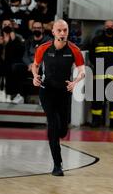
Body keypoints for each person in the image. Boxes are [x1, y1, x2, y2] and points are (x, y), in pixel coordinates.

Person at [32, 19, 85, 176]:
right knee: (53, 125)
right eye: (59, 30)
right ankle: (57, 164)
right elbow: (35, 65)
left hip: (64, 91)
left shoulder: (74, 50)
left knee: (63, 129)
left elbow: (82, 70)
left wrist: (76, 81)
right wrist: (35, 76)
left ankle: (62, 130)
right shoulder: (43, 48)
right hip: (46, 90)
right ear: (53, 32)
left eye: (65, 30)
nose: (62, 33)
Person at [88, 19, 113, 128]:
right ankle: (95, 121)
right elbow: (91, 56)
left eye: (112, 26)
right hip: (99, 74)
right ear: (104, 27)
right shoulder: (96, 40)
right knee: (97, 99)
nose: (110, 28)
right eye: (107, 26)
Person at [0, 19, 25, 103]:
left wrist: (14, 40)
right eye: (5, 24)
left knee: (10, 67)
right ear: (1, 27)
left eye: (9, 24)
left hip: (10, 63)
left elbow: (20, 52)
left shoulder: (17, 38)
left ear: (12, 26)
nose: (7, 26)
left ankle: (9, 94)